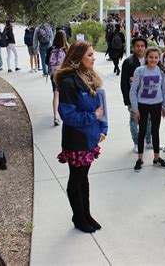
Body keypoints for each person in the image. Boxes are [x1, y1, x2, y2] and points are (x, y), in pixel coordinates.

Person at [55, 41, 108, 233]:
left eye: (93, 54)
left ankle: (86, 214)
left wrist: (101, 128)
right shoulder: (69, 82)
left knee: (84, 179)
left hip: (89, 137)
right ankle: (78, 217)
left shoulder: (87, 76)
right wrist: (93, 117)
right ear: (78, 58)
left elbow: (100, 108)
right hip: (76, 139)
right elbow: (67, 115)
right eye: (90, 55)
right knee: (76, 180)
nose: (94, 58)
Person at [129, 47, 165, 172]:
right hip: (142, 105)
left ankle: (156, 158)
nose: (153, 59)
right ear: (146, 57)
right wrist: (135, 109)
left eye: (156, 57)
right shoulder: (140, 71)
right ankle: (140, 159)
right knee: (142, 131)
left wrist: (164, 106)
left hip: (156, 105)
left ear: (159, 58)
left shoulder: (161, 72)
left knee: (155, 131)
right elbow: (133, 91)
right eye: (151, 57)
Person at [121, 36, 154, 153]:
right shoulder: (128, 62)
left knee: (149, 120)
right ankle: (136, 142)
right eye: (137, 46)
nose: (140, 48)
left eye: (142, 46)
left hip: (148, 98)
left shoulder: (150, 59)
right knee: (134, 120)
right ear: (133, 47)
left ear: (145, 47)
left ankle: (149, 141)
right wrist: (128, 101)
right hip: (134, 98)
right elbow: (124, 84)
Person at [46, 30, 69, 126]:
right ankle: (65, 115)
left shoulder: (51, 48)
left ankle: (55, 117)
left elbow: (46, 61)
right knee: (65, 95)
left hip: (54, 74)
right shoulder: (67, 48)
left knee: (56, 94)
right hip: (64, 74)